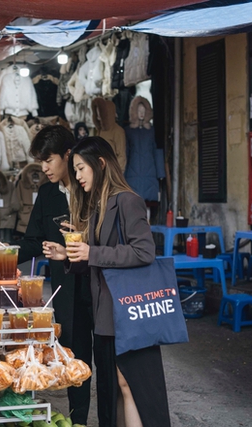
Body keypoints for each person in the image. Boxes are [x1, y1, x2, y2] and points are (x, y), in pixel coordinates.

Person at [43, 136, 171, 427]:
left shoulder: (128, 201)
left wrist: (92, 251)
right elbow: (96, 259)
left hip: (128, 311)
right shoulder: (98, 205)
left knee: (131, 386)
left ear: (100, 164)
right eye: (74, 170)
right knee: (115, 387)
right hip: (105, 315)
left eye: (80, 169)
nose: (76, 176)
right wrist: (68, 254)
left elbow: (144, 251)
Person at [15, 125, 95, 426]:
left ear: (68, 154)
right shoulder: (47, 193)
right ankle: (79, 421)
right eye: (41, 161)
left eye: (49, 160)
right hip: (66, 285)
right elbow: (34, 240)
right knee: (75, 357)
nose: (44, 168)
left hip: (98, 283)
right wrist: (3, 255)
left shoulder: (91, 189)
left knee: (107, 356)